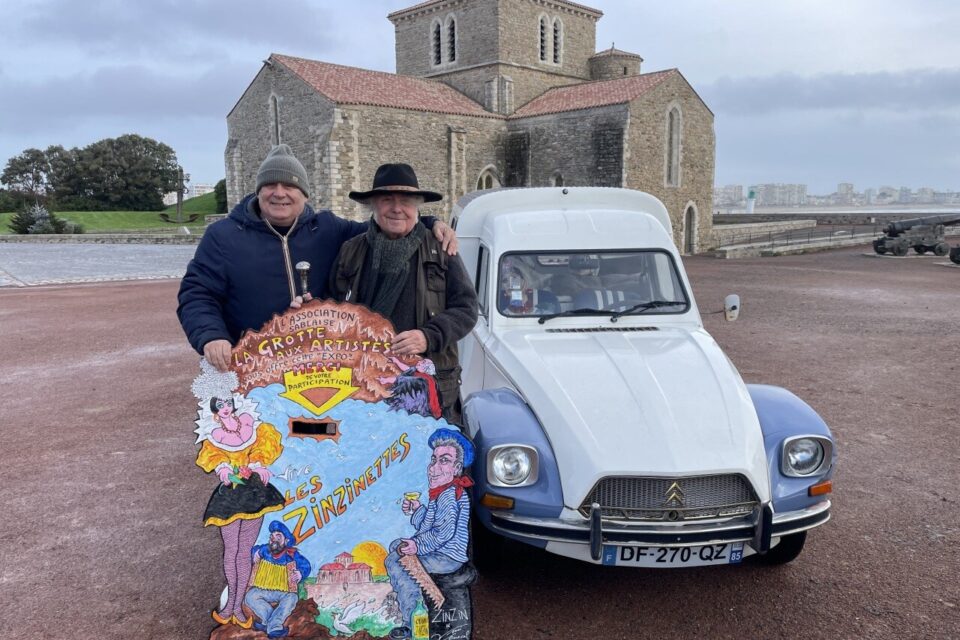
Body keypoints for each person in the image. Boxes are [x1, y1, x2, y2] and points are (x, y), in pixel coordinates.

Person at [177, 144, 458, 373]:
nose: (279, 193)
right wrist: (211, 335)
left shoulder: (328, 228)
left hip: (322, 369)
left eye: (289, 186)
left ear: (304, 195)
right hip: (250, 366)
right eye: (270, 185)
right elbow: (197, 294)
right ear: (258, 190)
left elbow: (386, 225)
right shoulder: (222, 236)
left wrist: (430, 223)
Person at [328, 163, 478, 424]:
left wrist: (428, 336)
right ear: (373, 205)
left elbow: (467, 309)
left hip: (429, 384)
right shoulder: (350, 251)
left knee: (428, 458)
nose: (397, 208)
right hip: (364, 384)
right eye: (387, 200)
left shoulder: (441, 249)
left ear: (417, 206)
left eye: (406, 201)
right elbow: (333, 309)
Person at [384, 429, 474, 626]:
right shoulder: (440, 493)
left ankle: (415, 620)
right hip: (439, 550)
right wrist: (418, 511)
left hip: (447, 557)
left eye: (444, 460)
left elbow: (443, 532)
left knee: (396, 561)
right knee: (396, 545)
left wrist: (416, 546)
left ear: (456, 468)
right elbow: (431, 525)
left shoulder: (449, 495)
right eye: (434, 460)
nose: (434, 467)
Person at [244, 520, 311, 639]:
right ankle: (271, 623)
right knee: (250, 596)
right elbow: (252, 550)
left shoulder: (292, 554)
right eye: (272, 536)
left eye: (278, 536)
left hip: (284, 591)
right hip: (263, 589)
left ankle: (272, 627)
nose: (274, 539)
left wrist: (300, 573)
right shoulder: (265, 550)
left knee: (292, 598)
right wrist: (256, 553)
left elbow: (305, 565)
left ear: (286, 540)